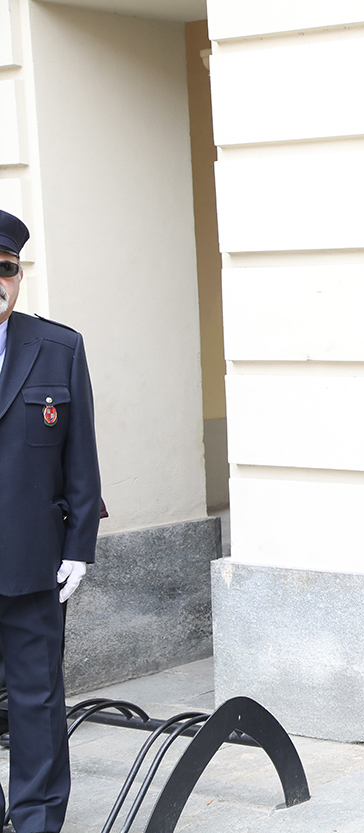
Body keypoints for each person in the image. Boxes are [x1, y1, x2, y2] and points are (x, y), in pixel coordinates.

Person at [0, 208, 100, 833]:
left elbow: (81, 454)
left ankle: (35, 820)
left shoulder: (58, 347)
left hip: (32, 558)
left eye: (5, 270)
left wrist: (79, 547)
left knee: (36, 698)